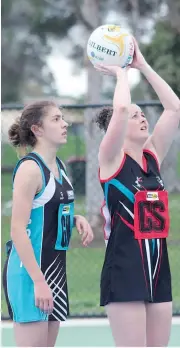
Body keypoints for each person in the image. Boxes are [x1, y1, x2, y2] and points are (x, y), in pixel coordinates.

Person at [95, 38, 180, 347]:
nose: (143, 117)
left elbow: (174, 108)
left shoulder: (152, 155)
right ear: (116, 129)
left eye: (143, 113)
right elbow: (118, 109)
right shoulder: (111, 160)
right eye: (135, 115)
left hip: (158, 270)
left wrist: (142, 65)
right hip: (125, 268)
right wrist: (121, 73)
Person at [3, 101, 94, 347]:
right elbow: (17, 229)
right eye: (56, 119)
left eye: (62, 118)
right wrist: (38, 281)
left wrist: (76, 219)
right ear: (37, 129)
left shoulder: (60, 168)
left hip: (54, 272)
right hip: (30, 274)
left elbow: (49, 211)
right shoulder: (30, 169)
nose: (64, 123)